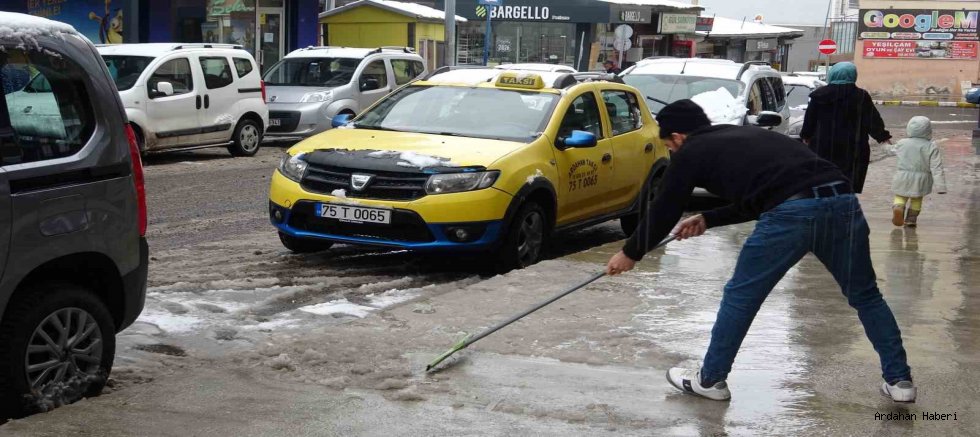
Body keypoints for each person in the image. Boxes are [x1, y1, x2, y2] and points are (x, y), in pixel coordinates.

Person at [605, 100, 915, 403]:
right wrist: (710, 218)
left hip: (792, 214)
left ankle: (710, 380)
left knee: (741, 297)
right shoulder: (749, 137)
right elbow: (768, 192)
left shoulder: (690, 151)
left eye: (670, 148)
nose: (672, 154)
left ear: (677, 137)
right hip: (842, 201)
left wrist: (630, 253)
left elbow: (665, 208)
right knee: (866, 295)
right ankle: (899, 380)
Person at [800, 62, 892, 193]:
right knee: (848, 185)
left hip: (824, 147)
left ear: (832, 74)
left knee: (824, 183)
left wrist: (806, 137)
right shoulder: (861, 96)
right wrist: (883, 137)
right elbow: (872, 120)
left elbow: (809, 121)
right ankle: (844, 208)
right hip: (853, 149)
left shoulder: (818, 95)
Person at [891, 116, 947, 227]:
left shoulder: (902, 143)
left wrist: (884, 146)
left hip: (902, 177)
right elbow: (937, 167)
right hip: (921, 180)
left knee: (900, 196)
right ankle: (911, 219)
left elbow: (890, 150)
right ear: (928, 131)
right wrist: (941, 187)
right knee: (916, 200)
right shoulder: (931, 146)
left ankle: (898, 207)